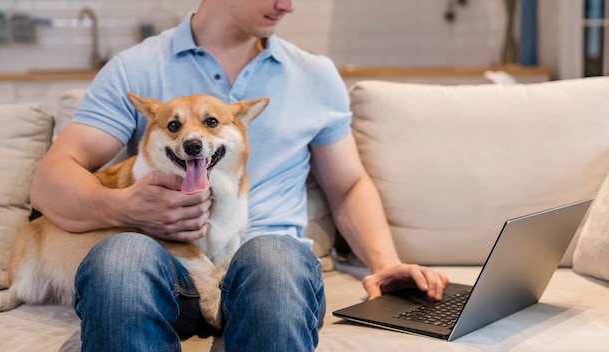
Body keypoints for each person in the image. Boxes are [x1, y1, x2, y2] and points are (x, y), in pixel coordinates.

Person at [31, 0, 449, 351]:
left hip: (270, 274)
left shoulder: (315, 75)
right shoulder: (136, 67)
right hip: (166, 269)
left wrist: (385, 262)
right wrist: (125, 206)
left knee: (275, 256)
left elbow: (348, 186)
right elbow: (50, 181)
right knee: (119, 258)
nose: (288, 5)